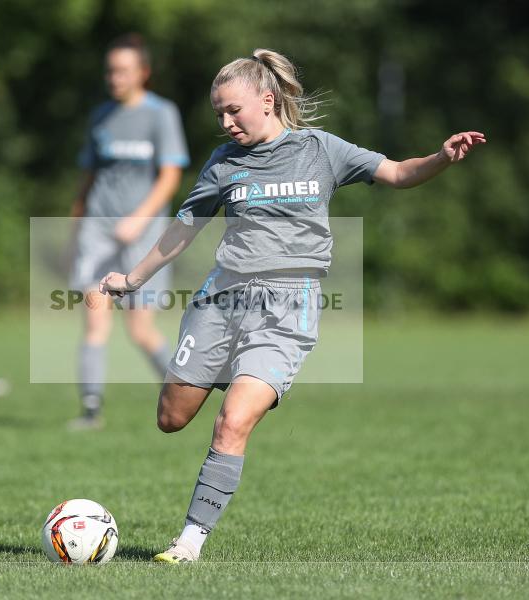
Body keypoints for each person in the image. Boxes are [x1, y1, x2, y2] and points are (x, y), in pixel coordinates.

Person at [99, 48, 485, 562]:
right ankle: (228, 374)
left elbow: (396, 173)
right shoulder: (223, 163)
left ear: (267, 99)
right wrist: (131, 279)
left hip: (287, 308)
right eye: (219, 113)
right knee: (171, 417)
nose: (226, 121)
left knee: (233, 421)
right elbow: (183, 230)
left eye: (234, 110)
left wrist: (441, 157)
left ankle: (189, 542)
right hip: (220, 301)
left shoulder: (320, 149)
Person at [69, 34, 190, 430]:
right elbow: (90, 175)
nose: (114, 77)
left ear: (143, 73)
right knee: (94, 317)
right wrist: (76, 221)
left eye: (123, 70)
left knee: (140, 328)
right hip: (98, 230)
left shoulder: (161, 114)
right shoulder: (100, 116)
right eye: (110, 70)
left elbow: (171, 176)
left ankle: (182, 394)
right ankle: (90, 410)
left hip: (143, 233)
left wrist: (139, 219)